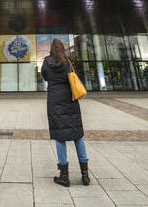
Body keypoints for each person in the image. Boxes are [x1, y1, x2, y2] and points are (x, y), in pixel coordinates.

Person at [41, 38, 90, 187]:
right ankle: (85, 175)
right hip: (70, 100)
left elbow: (44, 76)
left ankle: (64, 176)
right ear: (62, 48)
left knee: (60, 137)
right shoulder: (67, 61)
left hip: (55, 101)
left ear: (51, 49)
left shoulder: (46, 62)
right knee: (77, 136)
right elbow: (73, 77)